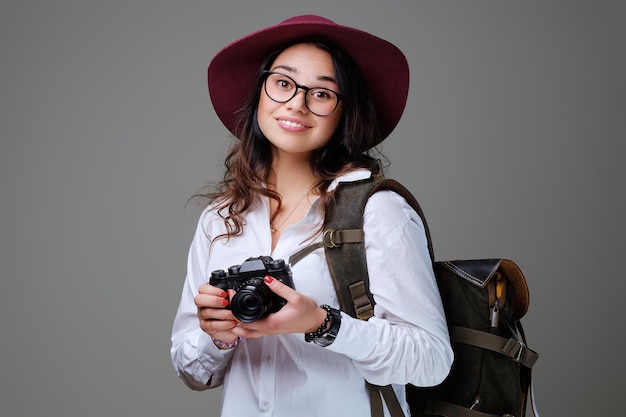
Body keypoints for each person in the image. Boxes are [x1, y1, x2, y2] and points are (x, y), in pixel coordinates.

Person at [170, 15, 453, 417]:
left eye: (322, 94)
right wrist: (216, 335)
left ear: (344, 112)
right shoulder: (219, 219)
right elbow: (192, 372)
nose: (296, 103)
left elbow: (431, 360)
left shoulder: (377, 210)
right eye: (283, 83)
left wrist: (323, 324)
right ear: (260, 93)